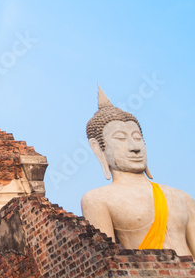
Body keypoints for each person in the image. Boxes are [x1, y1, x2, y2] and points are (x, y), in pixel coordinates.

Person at [81, 87, 195, 256]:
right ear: (99, 149)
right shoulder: (98, 200)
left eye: (137, 138)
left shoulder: (182, 198)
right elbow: (109, 259)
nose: (135, 147)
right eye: (120, 138)